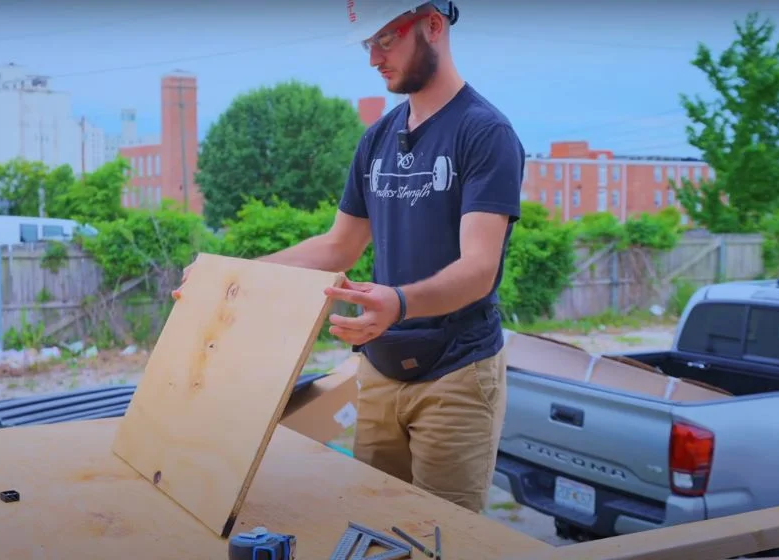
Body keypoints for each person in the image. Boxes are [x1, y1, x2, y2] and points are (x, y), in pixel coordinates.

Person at [174, 0, 524, 514]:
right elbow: (338, 245)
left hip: (457, 374)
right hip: (381, 370)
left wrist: (399, 303)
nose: (373, 58)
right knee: (377, 527)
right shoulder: (377, 138)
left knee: (443, 538)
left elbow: (478, 270)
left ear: (432, 25)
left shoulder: (484, 133)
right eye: (368, 43)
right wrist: (228, 277)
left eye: (386, 39)